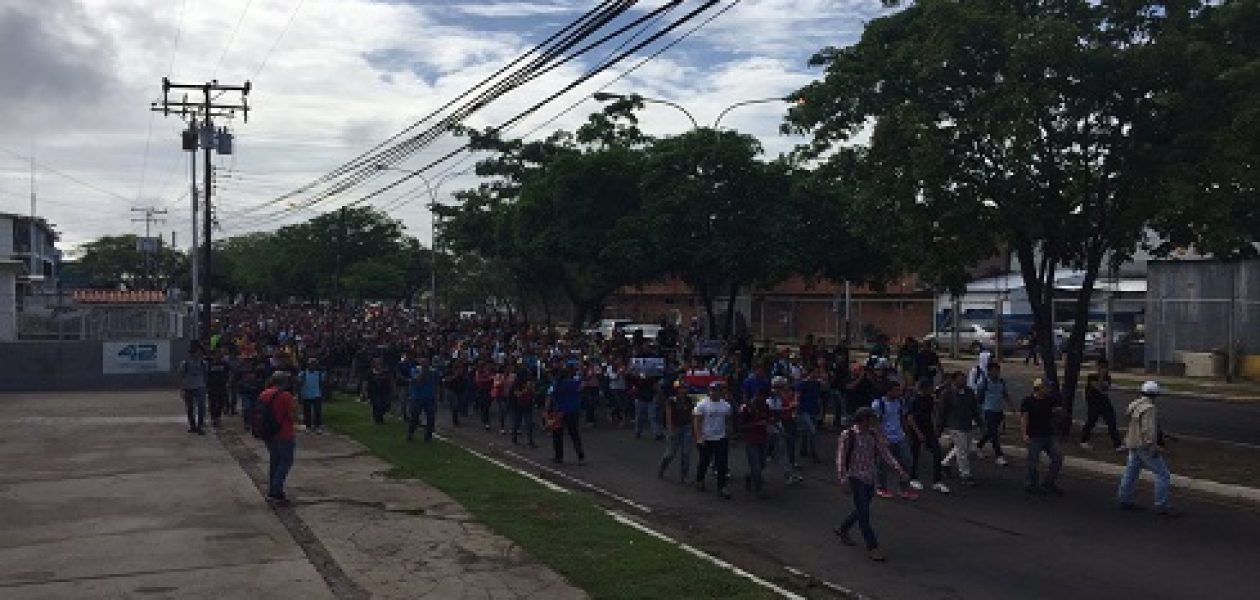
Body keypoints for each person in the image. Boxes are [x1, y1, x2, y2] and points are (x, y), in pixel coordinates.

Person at [834, 406, 910, 562]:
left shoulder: (874, 435)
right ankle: (872, 546)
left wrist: (900, 470)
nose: (874, 422)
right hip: (855, 477)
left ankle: (843, 528)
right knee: (864, 514)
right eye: (871, 419)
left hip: (870, 477)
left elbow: (885, 453)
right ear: (863, 420)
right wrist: (843, 479)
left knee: (862, 509)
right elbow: (841, 458)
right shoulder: (848, 435)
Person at [1118, 381, 1179, 516]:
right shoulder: (1150, 408)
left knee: (1131, 472)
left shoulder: (1135, 405)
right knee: (1163, 474)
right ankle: (1161, 505)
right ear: (1155, 394)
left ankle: (1124, 498)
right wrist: (1152, 446)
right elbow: (1148, 429)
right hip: (1144, 445)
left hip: (1132, 442)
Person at [872, 382, 917, 499]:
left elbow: (902, 418)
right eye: (896, 390)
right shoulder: (878, 404)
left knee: (907, 461)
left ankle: (903, 488)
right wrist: (881, 438)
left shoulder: (900, 402)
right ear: (889, 391)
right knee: (883, 465)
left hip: (899, 437)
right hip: (885, 438)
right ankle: (881, 487)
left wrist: (906, 433)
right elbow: (875, 423)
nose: (899, 393)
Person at [1020, 378, 1065, 495]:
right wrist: (1024, 433)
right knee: (1033, 462)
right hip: (1034, 436)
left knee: (1058, 458)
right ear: (1039, 388)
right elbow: (1025, 418)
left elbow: (1056, 413)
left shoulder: (1050, 400)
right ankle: (1031, 484)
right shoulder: (1028, 401)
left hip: (1049, 435)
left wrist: (1059, 412)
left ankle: (1048, 483)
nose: (1048, 389)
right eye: (1046, 387)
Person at [260, 372, 298, 505]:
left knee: (275, 461)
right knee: (286, 461)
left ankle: (272, 491)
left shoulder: (264, 394)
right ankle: (276, 489)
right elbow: (292, 415)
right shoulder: (285, 396)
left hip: (268, 433)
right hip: (284, 433)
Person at [938, 371, 980, 486]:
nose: (963, 381)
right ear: (954, 380)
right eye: (961, 379)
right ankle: (965, 474)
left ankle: (944, 463)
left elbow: (974, 409)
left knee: (964, 449)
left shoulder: (969, 393)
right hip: (955, 426)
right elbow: (942, 412)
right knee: (962, 451)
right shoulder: (947, 394)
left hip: (967, 425)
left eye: (964, 379)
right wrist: (939, 429)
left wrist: (980, 423)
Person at [693, 381, 733, 499]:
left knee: (722, 464)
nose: (715, 393)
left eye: (718, 390)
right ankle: (699, 480)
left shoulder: (726, 406)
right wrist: (699, 437)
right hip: (706, 438)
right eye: (713, 390)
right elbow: (697, 421)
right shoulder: (702, 405)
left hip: (720, 437)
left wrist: (729, 434)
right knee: (704, 461)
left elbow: (728, 421)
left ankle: (722, 487)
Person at [907, 381, 949, 494]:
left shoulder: (930, 399)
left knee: (937, 452)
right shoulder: (914, 400)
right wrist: (918, 433)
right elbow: (910, 418)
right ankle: (912, 477)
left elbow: (933, 413)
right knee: (915, 454)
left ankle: (937, 481)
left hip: (929, 429)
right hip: (916, 430)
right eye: (930, 388)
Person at [974, 362, 1013, 466]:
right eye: (994, 370)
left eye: (997, 370)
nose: (996, 373)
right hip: (988, 410)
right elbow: (978, 398)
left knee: (991, 432)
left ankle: (979, 446)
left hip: (999, 410)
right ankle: (999, 456)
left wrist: (1011, 405)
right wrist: (978, 411)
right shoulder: (984, 383)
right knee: (994, 434)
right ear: (989, 371)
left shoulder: (1001, 382)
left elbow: (1005, 394)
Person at [1081, 360, 1123, 451]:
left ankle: (1117, 444)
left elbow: (1104, 389)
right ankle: (1084, 440)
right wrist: (1101, 376)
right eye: (1101, 367)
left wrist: (1103, 378)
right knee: (1091, 421)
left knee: (1111, 421)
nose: (1104, 369)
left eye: (1105, 367)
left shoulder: (1108, 377)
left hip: (1104, 401)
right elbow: (1097, 387)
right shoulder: (1091, 377)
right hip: (1093, 402)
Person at [658, 382, 694, 482]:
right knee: (670, 453)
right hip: (675, 427)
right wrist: (671, 429)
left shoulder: (689, 400)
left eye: (685, 388)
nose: (684, 390)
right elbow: (669, 415)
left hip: (686, 427)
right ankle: (662, 467)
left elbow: (691, 414)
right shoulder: (671, 401)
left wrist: (693, 428)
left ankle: (684, 475)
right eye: (681, 388)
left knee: (686, 453)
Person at [549, 367, 586, 464]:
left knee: (557, 434)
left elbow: (551, 395)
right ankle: (580, 455)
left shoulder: (556, 384)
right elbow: (582, 386)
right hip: (573, 410)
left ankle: (559, 456)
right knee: (574, 434)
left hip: (561, 411)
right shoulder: (574, 382)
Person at [740, 389, 772, 498]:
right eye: (759, 396)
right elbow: (742, 426)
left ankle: (750, 476)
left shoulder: (765, 406)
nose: (761, 399)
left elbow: (768, 418)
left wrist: (768, 421)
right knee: (756, 466)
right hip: (751, 439)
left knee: (762, 463)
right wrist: (756, 424)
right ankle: (758, 489)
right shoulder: (746, 409)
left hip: (763, 438)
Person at [406, 356, 439, 442]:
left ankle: (428, 436)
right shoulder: (415, 370)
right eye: (423, 362)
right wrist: (424, 371)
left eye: (427, 362)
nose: (425, 364)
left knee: (431, 418)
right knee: (415, 417)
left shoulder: (433, 372)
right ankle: (410, 432)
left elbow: (436, 385)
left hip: (429, 398)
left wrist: (436, 398)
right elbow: (417, 381)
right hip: (417, 398)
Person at [178, 342, 209, 435]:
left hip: (200, 386)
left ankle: (200, 426)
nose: (199, 354)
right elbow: (181, 375)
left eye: (200, 352)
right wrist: (182, 388)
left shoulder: (203, 363)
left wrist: (206, 386)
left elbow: (206, 375)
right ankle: (193, 425)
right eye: (198, 352)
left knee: (201, 407)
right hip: (188, 387)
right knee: (190, 408)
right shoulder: (186, 363)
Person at [297, 358, 327, 434]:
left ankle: (318, 426)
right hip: (306, 395)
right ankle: (308, 426)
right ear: (308, 365)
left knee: (317, 412)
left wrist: (323, 394)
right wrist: (300, 395)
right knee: (307, 412)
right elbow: (299, 385)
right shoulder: (303, 374)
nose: (312, 365)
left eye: (314, 364)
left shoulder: (319, 374)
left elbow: (322, 384)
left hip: (317, 395)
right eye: (311, 364)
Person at [206, 348, 231, 429]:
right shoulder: (210, 364)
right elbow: (206, 374)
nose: (219, 355)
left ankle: (218, 416)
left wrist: (228, 382)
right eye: (217, 354)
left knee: (221, 402)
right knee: (213, 402)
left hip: (222, 386)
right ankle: (213, 417)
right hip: (212, 386)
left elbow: (229, 373)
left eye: (220, 354)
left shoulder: (225, 364)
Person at [511, 373, 538, 448]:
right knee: (517, 423)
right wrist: (525, 390)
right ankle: (514, 437)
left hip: (528, 406)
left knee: (529, 424)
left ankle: (530, 441)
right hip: (519, 406)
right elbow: (517, 395)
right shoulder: (517, 385)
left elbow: (534, 394)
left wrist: (532, 389)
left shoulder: (530, 385)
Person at [367, 357, 393, 425]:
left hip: (384, 392)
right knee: (376, 405)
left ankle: (380, 417)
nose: (378, 365)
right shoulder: (370, 372)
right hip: (374, 392)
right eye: (376, 363)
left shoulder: (385, 372)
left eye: (379, 363)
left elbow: (390, 381)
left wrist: (392, 389)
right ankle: (377, 420)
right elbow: (367, 382)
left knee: (385, 405)